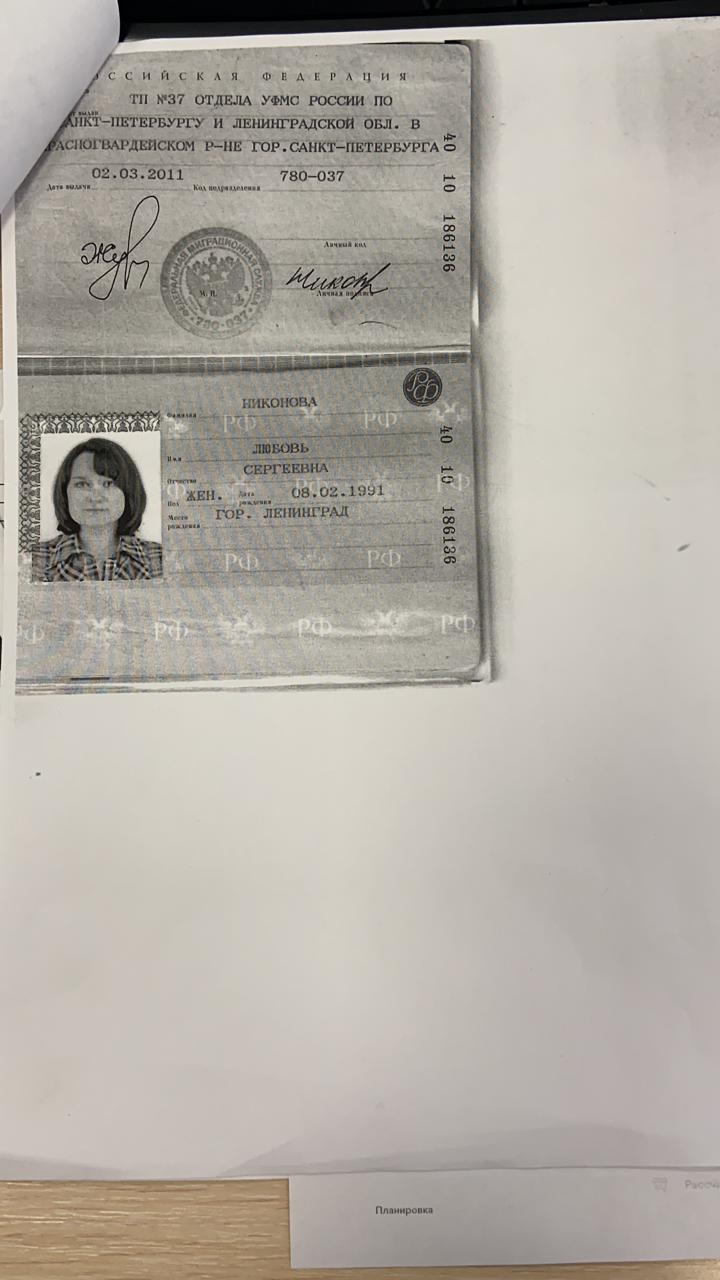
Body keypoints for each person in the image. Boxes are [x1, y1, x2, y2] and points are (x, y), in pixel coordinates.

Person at [32, 437, 162, 582]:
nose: (95, 497)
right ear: (64, 493)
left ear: (128, 491)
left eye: (108, 484)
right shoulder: (33, 560)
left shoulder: (161, 559)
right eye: (82, 484)